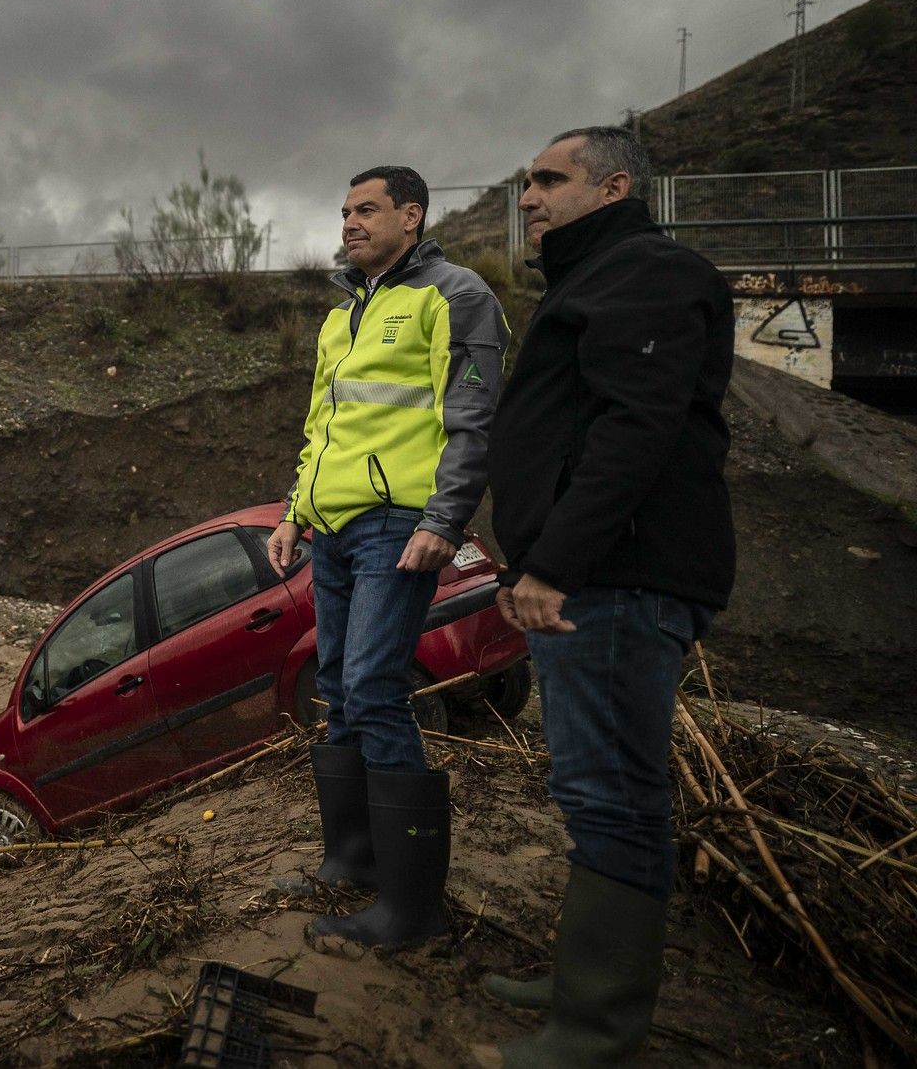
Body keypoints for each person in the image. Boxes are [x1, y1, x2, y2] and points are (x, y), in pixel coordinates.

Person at [479, 127, 734, 1068]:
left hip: (618, 578)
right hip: (597, 572)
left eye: (549, 179)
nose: (530, 196)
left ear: (614, 186)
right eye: (527, 182)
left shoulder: (648, 272)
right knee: (592, 787)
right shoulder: (597, 279)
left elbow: (637, 429)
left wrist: (555, 565)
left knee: (616, 791)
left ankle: (596, 1027)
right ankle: (581, 981)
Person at [267, 165, 507, 949]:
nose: (349, 221)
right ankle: (353, 860)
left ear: (412, 215)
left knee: (373, 689)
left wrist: (447, 517)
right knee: (337, 687)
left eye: (366, 209)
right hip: (333, 531)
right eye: (343, 210)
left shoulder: (457, 294)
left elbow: (473, 419)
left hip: (398, 525)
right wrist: (294, 513)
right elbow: (320, 426)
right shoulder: (342, 315)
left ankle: (412, 913)